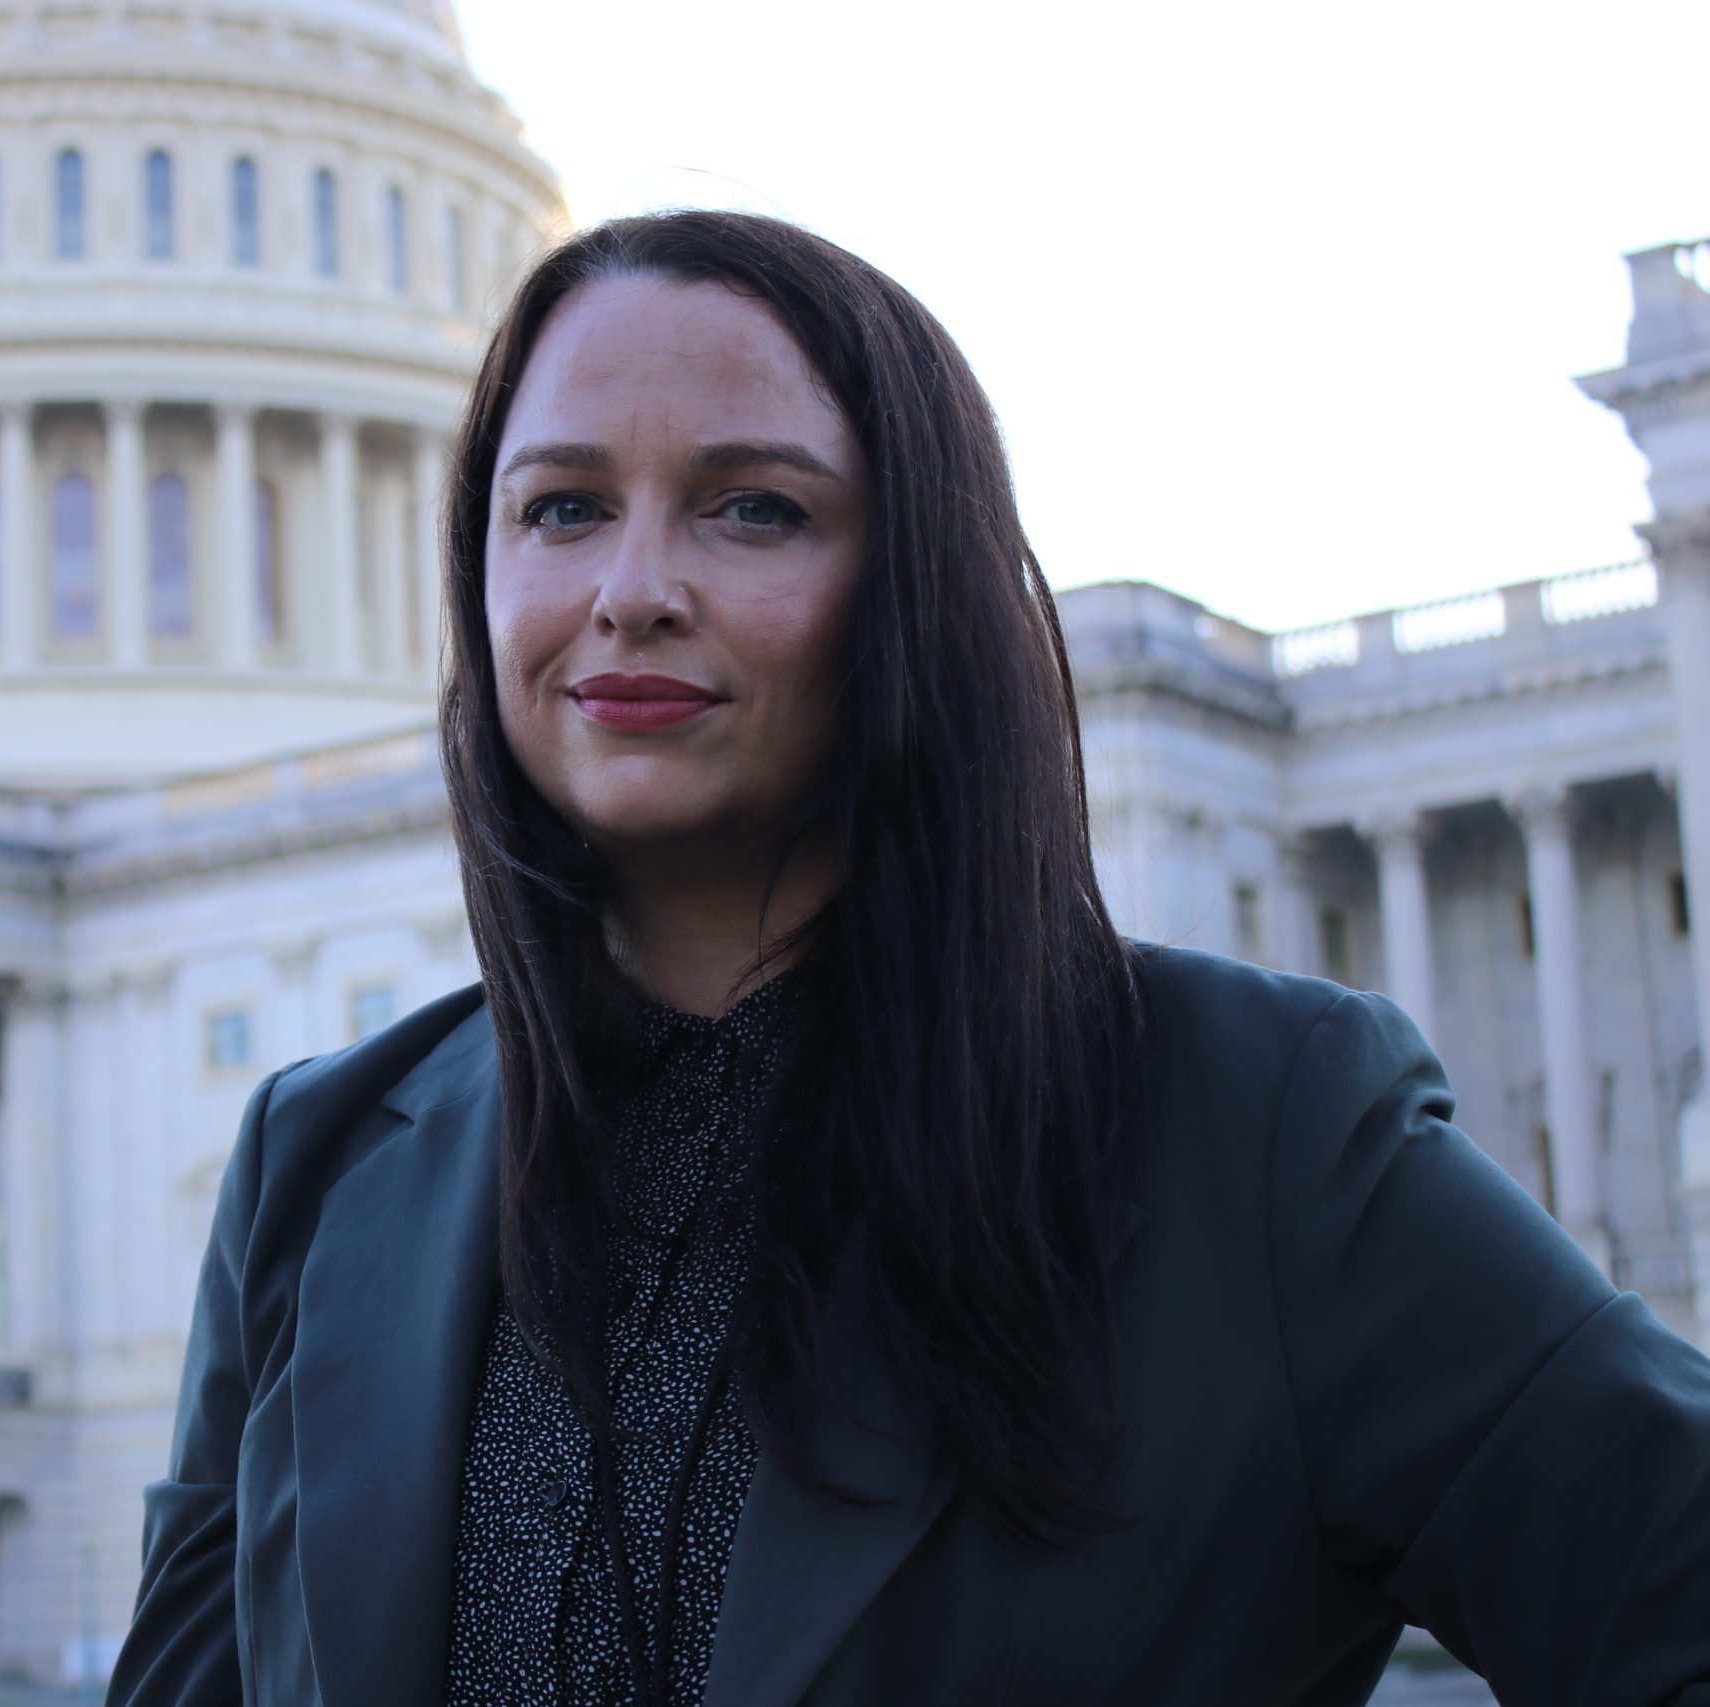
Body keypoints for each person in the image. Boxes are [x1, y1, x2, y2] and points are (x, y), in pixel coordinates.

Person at [106, 210, 1710, 1707]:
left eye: (755, 508)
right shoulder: (313, 1169)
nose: (634, 591)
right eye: (562, 508)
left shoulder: (1259, 1130)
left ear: (913, 589)